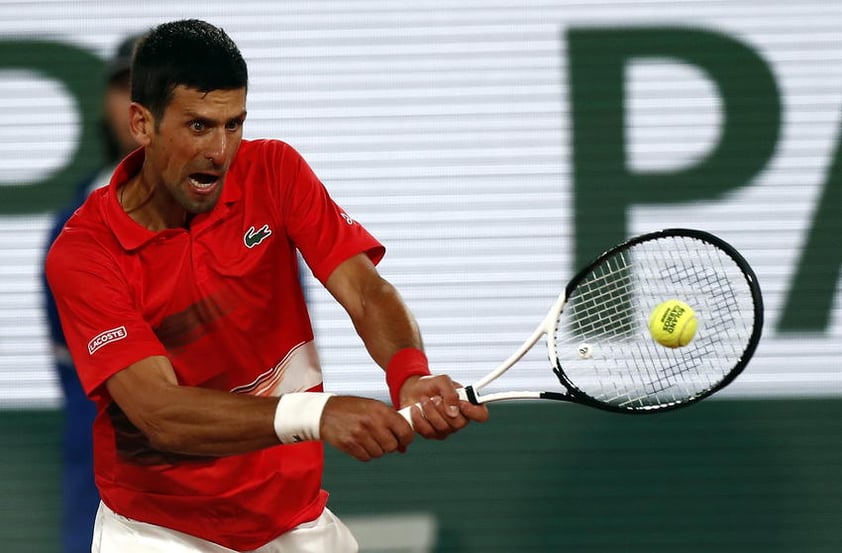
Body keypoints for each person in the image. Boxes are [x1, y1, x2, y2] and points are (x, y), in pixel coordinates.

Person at [45, 19, 487, 553]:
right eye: (199, 126)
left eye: (234, 125)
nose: (221, 150)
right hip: (159, 532)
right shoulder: (85, 252)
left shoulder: (274, 171)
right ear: (142, 124)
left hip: (293, 523)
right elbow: (159, 414)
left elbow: (365, 290)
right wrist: (317, 414)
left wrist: (409, 373)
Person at [41, 32, 142, 553]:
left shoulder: (252, 218)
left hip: (241, 491)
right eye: (126, 85)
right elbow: (80, 377)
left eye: (157, 85)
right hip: (107, 498)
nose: (138, 101)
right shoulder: (70, 229)